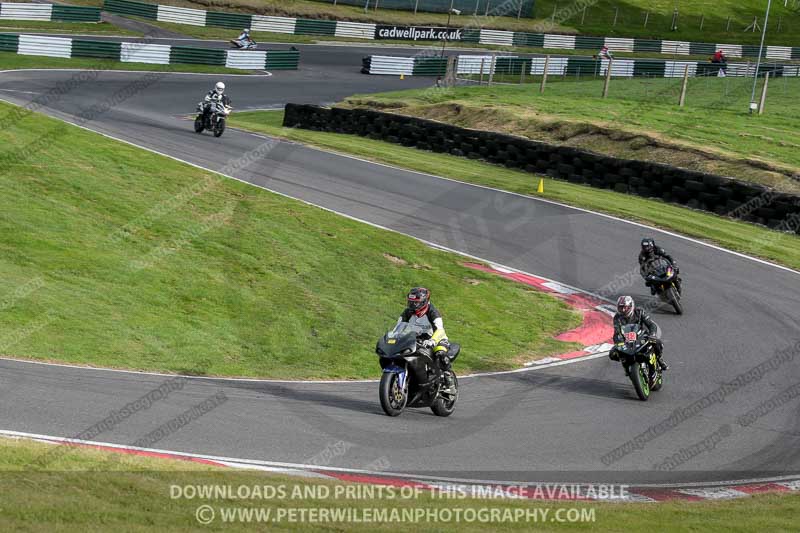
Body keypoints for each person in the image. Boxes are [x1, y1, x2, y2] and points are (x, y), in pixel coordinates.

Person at [399, 287, 455, 393]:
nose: (413, 305)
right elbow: (398, 327)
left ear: (424, 302)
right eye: (411, 302)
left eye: (416, 303)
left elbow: (440, 330)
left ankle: (448, 380)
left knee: (440, 354)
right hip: (417, 340)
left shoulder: (433, 312)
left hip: (436, 338)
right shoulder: (407, 312)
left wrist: (432, 340)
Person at [609, 296, 669, 372]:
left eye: (625, 307)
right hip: (627, 340)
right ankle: (626, 366)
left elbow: (651, 325)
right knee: (612, 354)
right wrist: (618, 342)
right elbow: (617, 332)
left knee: (658, 342)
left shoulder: (639, 312)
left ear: (631, 306)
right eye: (621, 307)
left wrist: (652, 334)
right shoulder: (617, 317)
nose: (623, 310)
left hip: (642, 336)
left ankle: (659, 359)